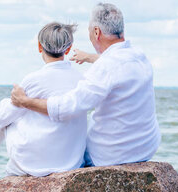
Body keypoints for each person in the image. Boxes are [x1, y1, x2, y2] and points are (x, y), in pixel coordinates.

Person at [11, 3, 161, 167]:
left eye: (89, 30)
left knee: (67, 151)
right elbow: (117, 67)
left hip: (110, 155)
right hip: (146, 148)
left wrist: (24, 101)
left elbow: (69, 106)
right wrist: (89, 57)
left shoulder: (105, 68)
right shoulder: (139, 57)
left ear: (96, 32)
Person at [0, 22, 88, 188]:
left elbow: (4, 117)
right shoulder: (80, 79)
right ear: (68, 49)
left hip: (35, 164)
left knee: (5, 108)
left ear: (40, 47)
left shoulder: (34, 79)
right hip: (70, 161)